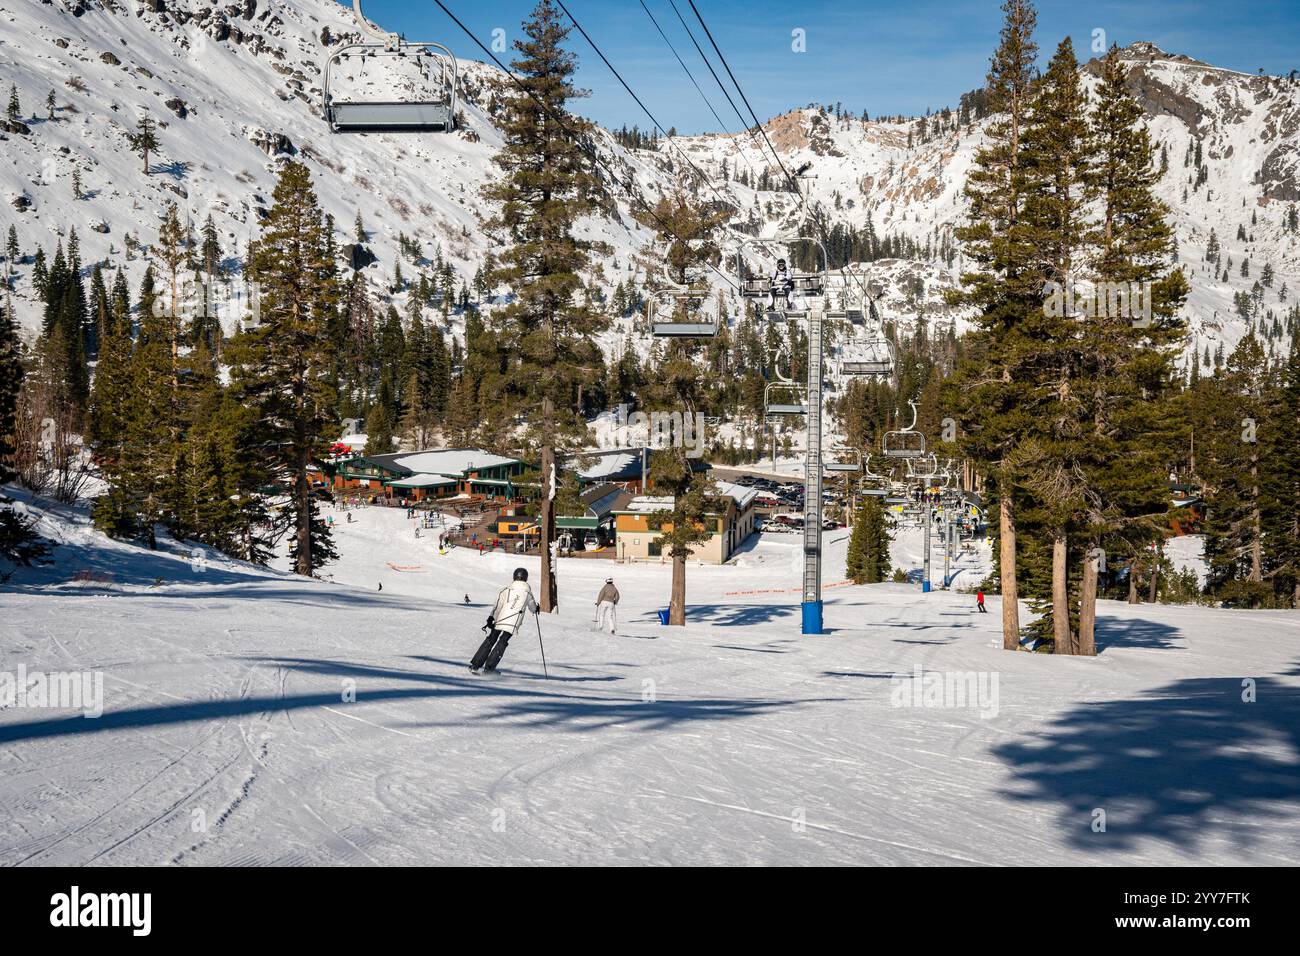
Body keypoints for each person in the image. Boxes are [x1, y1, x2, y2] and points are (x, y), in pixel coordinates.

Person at [470, 567, 539, 674]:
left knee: (491, 639)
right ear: (525, 578)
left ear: (514, 577)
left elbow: (498, 605)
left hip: (501, 619)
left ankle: (475, 665)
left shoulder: (506, 590)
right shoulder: (527, 593)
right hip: (513, 623)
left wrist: (492, 617)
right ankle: (489, 669)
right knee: (502, 642)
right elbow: (532, 607)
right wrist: (536, 608)